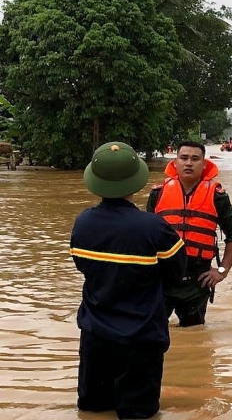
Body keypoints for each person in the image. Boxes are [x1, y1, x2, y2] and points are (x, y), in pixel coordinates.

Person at [70, 141, 186, 419]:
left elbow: (82, 267)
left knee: (94, 411)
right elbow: (176, 274)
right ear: (136, 182)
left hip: (95, 336)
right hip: (141, 339)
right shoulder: (154, 227)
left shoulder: (82, 222)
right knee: (138, 414)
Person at [147, 140, 232, 327]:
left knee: (195, 333)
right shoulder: (158, 193)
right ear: (175, 163)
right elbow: (144, 235)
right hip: (161, 275)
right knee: (151, 331)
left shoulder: (217, 195)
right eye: (184, 158)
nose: (189, 163)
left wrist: (222, 270)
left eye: (195, 159)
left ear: (204, 164)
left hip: (198, 279)